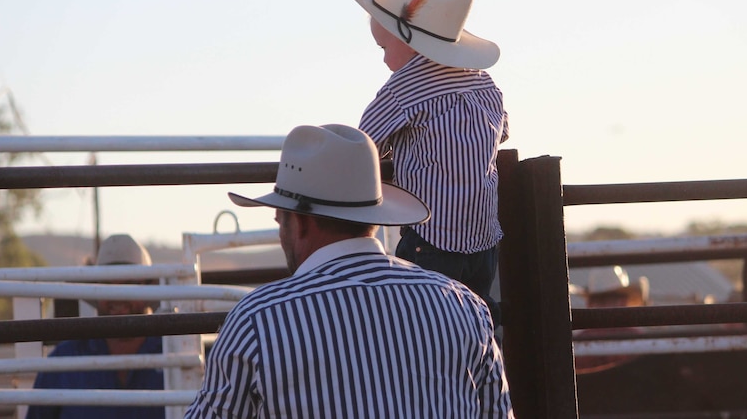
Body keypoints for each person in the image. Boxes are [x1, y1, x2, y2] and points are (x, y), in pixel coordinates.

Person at [185, 124, 512, 418]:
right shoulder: (464, 306)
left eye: (280, 214)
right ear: (375, 214)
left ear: (298, 222)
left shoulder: (258, 319)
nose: (276, 222)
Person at [334, 0, 508, 328]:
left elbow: (363, 144)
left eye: (384, 49)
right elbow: (502, 131)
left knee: (420, 325)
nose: (383, 61)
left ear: (408, 43)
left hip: (431, 239)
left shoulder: (405, 89)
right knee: (473, 327)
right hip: (483, 240)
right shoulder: (483, 83)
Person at [26, 234, 165, 419]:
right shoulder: (63, 361)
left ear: (148, 288)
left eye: (130, 283)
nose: (117, 295)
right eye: (106, 283)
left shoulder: (174, 352)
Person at [572, 266, 649, 374]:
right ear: (624, 302)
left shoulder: (577, 343)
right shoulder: (639, 339)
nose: (605, 306)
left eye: (610, 299)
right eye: (601, 300)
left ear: (589, 304)